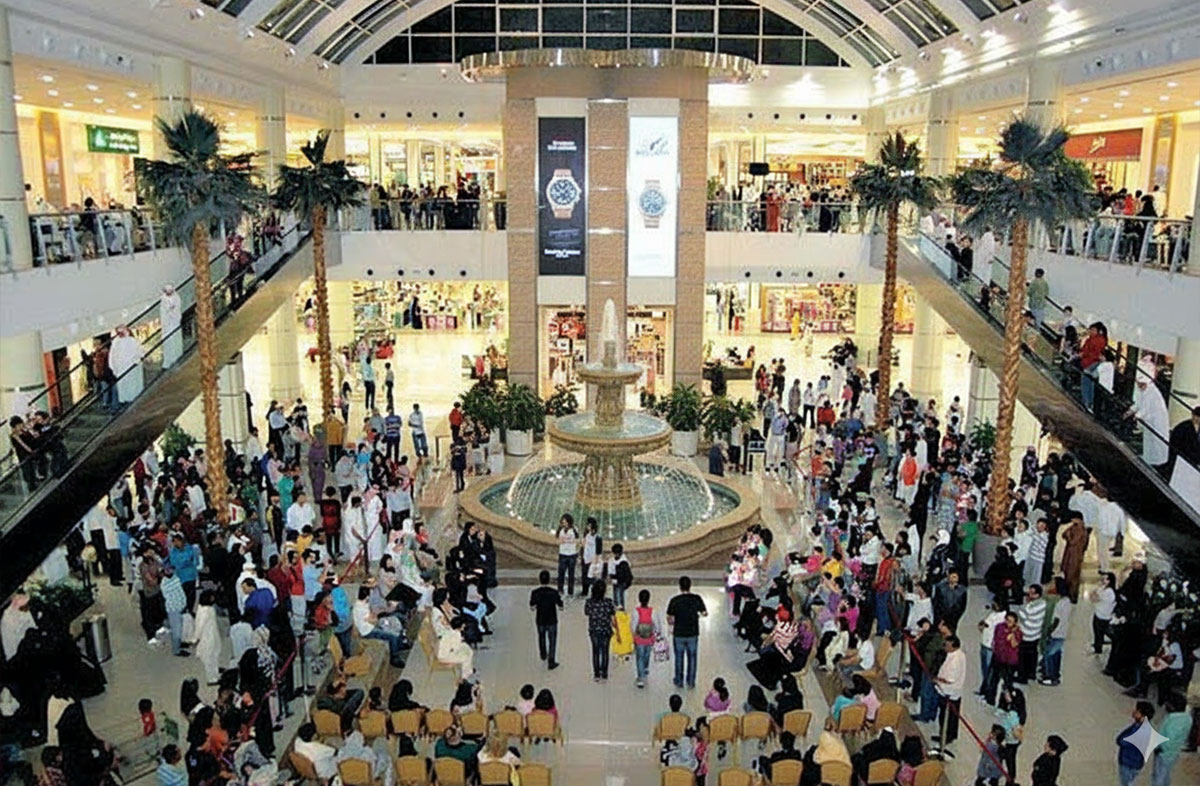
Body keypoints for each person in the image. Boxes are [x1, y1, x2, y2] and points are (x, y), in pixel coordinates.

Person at [667, 575, 708, 689]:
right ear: (690, 586)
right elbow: (705, 613)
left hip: (679, 633)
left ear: (680, 587)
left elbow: (670, 619)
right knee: (692, 658)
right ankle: (691, 681)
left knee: (679, 658)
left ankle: (679, 681)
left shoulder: (674, 600)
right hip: (693, 633)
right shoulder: (697, 599)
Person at [353, 585, 407, 667]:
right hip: (368, 631)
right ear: (367, 596)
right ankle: (394, 657)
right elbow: (371, 619)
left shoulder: (362, 603)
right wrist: (380, 618)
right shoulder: (360, 609)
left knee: (392, 625)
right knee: (392, 636)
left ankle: (399, 644)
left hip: (371, 625)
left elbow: (371, 615)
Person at [932, 634, 965, 759]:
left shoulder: (956, 660)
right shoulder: (957, 654)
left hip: (949, 692)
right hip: (949, 691)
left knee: (946, 716)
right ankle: (945, 735)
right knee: (950, 716)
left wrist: (937, 679)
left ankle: (946, 736)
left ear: (952, 646)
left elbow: (950, 679)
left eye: (946, 645)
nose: (944, 646)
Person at [1152, 693, 1192, 786]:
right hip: (1175, 751)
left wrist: (1160, 747)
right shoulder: (1188, 718)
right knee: (1166, 773)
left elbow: (1168, 738)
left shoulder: (1172, 719)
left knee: (1159, 775)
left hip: (1164, 752)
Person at [584, 581, 619, 681]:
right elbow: (613, 613)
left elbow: (586, 612)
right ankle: (604, 673)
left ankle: (596, 674)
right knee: (605, 651)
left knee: (595, 651)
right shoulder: (608, 602)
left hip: (594, 630)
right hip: (606, 630)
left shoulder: (589, 602)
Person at [1116, 701, 1156, 786]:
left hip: (1128, 762)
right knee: (1130, 781)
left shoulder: (1137, 730)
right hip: (1137, 762)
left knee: (1126, 783)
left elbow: (1121, 741)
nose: (1134, 712)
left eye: (1137, 711)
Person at [529, 569, 562, 670]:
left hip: (540, 619)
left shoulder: (535, 592)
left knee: (541, 636)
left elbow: (532, 607)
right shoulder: (554, 592)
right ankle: (551, 661)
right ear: (549, 580)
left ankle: (543, 653)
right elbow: (560, 606)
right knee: (552, 640)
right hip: (552, 619)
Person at [109, 324, 146, 404]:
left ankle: (129, 400)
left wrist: (136, 360)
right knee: (125, 386)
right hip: (122, 368)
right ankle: (126, 400)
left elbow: (140, 352)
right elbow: (112, 357)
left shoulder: (132, 341)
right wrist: (114, 368)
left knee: (130, 385)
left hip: (130, 368)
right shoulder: (116, 342)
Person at [556, 514, 579, 597]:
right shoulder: (560, 530)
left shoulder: (574, 529)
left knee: (571, 574)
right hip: (562, 553)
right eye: (563, 522)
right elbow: (557, 540)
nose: (564, 524)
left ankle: (570, 591)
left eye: (565, 522)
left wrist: (572, 542)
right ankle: (560, 589)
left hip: (572, 554)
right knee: (561, 573)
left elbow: (577, 540)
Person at [160, 285, 183, 368]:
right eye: (167, 291)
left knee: (175, 340)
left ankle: (177, 357)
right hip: (167, 326)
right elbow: (164, 311)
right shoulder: (163, 299)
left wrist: (172, 311)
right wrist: (169, 310)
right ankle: (168, 361)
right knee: (168, 343)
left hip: (174, 324)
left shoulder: (177, 298)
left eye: (170, 291)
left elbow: (176, 310)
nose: (168, 292)